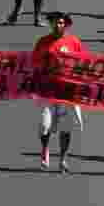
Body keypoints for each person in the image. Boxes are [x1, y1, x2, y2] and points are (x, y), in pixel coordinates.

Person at [33, 12, 84, 173]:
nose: (58, 25)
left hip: (67, 91)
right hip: (47, 90)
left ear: (66, 24)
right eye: (55, 22)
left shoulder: (74, 42)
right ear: (50, 24)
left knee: (66, 127)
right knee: (44, 125)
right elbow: (34, 63)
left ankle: (63, 159)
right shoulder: (42, 42)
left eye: (61, 23)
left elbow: (83, 63)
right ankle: (45, 150)